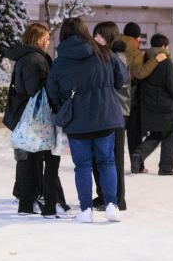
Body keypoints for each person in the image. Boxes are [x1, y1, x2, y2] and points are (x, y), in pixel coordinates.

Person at [46, 18, 127, 224]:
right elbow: (121, 78)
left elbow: (52, 92)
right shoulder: (103, 52)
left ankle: (86, 210)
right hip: (106, 115)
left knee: (82, 165)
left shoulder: (60, 60)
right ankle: (111, 205)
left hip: (77, 119)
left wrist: (65, 103)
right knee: (107, 161)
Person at [3, 22, 65, 218]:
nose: (48, 41)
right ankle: (35, 201)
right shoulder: (35, 59)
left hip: (23, 114)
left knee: (30, 159)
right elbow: (36, 90)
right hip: (33, 117)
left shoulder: (26, 57)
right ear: (38, 39)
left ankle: (27, 202)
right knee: (37, 160)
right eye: (46, 37)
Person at [91, 22, 130, 211]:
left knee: (114, 158)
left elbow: (119, 83)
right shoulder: (104, 56)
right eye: (95, 35)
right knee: (101, 158)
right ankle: (104, 195)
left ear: (110, 37)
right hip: (106, 113)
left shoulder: (116, 57)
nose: (96, 39)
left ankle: (117, 199)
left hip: (115, 113)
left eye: (101, 35)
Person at [121, 22, 167, 169]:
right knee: (133, 134)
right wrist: (155, 60)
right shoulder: (136, 52)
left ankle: (115, 166)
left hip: (115, 97)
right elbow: (139, 74)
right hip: (132, 97)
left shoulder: (114, 47)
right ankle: (137, 166)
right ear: (137, 37)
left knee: (116, 136)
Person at [133, 34, 173, 176]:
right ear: (164, 46)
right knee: (169, 135)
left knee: (156, 134)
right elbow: (172, 86)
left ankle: (139, 153)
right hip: (166, 106)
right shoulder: (165, 62)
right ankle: (166, 167)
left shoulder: (147, 59)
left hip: (149, 106)